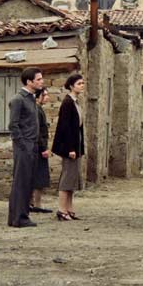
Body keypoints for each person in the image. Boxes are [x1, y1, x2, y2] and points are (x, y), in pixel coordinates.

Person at [7, 67, 44, 228]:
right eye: (39, 79)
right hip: (24, 147)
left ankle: (20, 216)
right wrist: (23, 145)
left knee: (28, 181)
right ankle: (18, 217)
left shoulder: (31, 99)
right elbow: (13, 125)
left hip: (32, 145)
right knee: (21, 182)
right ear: (29, 82)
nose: (42, 82)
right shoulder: (18, 99)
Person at [52, 74, 85, 221]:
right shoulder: (67, 103)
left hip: (76, 144)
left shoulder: (76, 102)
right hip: (69, 146)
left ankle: (69, 209)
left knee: (73, 178)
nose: (82, 85)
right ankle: (61, 209)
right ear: (71, 86)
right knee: (67, 177)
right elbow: (65, 127)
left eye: (82, 83)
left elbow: (78, 127)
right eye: (79, 83)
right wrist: (70, 148)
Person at [30, 87, 52, 214]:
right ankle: (35, 203)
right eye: (45, 95)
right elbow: (38, 131)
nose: (48, 97)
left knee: (38, 176)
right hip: (38, 148)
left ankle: (34, 203)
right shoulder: (36, 110)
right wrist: (43, 148)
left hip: (39, 146)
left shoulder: (39, 109)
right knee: (38, 177)